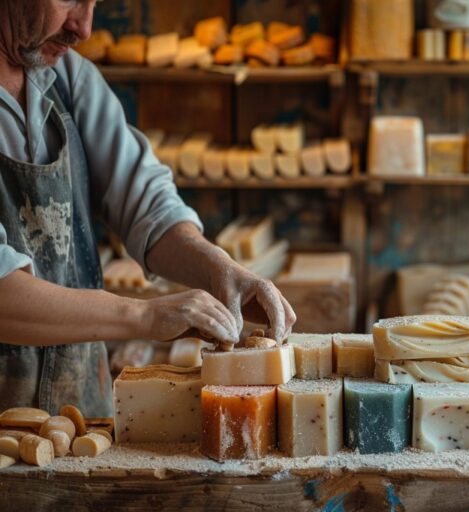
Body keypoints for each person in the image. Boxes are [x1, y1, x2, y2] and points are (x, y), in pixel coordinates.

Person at [0, 0, 296, 417]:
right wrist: (143, 315)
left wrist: (216, 267)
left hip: (80, 423)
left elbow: (146, 205)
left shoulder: (67, 79)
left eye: (93, 2)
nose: (83, 27)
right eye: (69, 0)